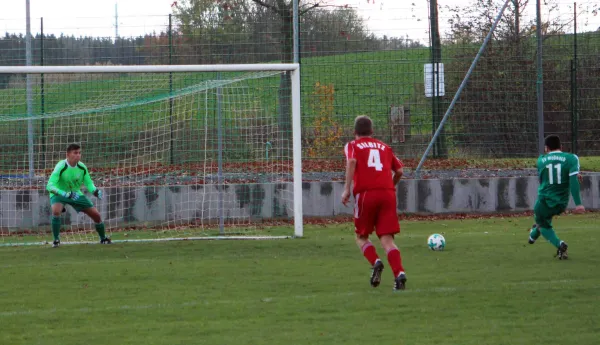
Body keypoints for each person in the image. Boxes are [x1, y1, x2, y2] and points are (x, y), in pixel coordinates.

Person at [341, 115, 407, 291]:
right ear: (372, 131)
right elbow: (399, 170)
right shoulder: (385, 147)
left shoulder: (352, 145)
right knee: (387, 239)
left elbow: (352, 161)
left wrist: (347, 189)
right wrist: (389, 187)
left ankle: (376, 262)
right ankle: (399, 274)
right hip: (387, 194)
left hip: (366, 194)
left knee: (361, 236)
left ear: (354, 132)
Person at [528, 135, 585, 259]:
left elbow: (543, 179)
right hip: (561, 203)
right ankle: (532, 237)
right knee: (543, 220)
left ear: (546, 148)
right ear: (561, 147)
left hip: (544, 200)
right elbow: (573, 181)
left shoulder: (541, 160)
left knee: (542, 223)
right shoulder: (571, 158)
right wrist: (578, 203)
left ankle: (559, 244)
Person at [46, 143, 110, 247]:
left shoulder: (82, 167)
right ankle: (56, 240)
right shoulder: (61, 166)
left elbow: (88, 183)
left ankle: (103, 238)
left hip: (75, 194)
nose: (78, 155)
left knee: (96, 215)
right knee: (56, 211)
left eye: (79, 153)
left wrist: (95, 191)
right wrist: (64, 194)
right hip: (60, 193)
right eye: (75, 153)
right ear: (68, 154)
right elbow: (49, 186)